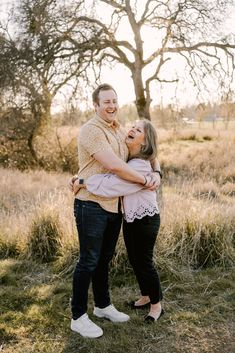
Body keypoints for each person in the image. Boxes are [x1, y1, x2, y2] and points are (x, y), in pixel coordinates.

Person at [70, 83, 161, 338]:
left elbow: (149, 146)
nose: (111, 106)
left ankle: (102, 305)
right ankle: (78, 316)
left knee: (104, 260)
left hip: (113, 206)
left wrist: (157, 171)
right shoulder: (91, 130)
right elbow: (115, 166)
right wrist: (144, 180)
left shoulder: (119, 129)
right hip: (91, 202)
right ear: (95, 105)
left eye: (114, 101)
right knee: (88, 260)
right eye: (106, 102)